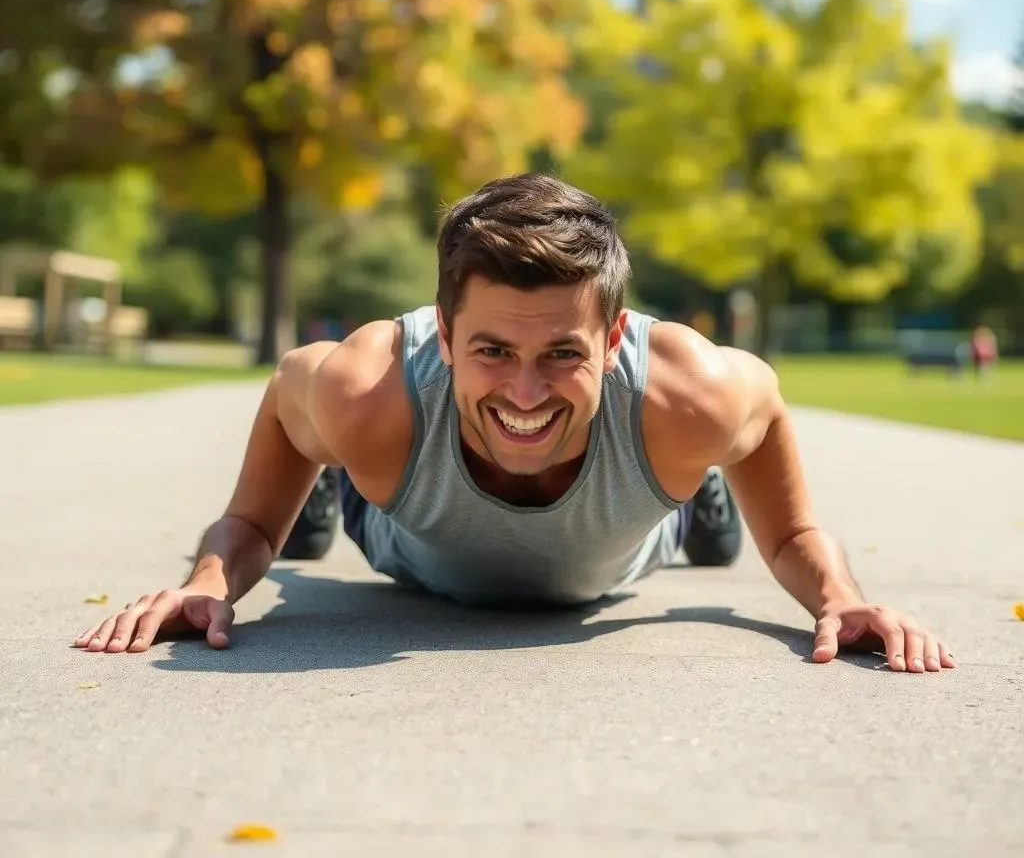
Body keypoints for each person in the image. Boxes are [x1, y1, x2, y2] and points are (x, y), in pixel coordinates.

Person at [75, 173, 955, 673]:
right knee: (337, 469)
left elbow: (796, 526)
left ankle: (700, 508)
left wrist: (843, 601)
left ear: (613, 338)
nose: (527, 393)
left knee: (699, 502)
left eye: (563, 356)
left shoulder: (696, 401)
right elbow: (256, 494)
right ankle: (332, 484)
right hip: (404, 535)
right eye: (492, 351)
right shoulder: (364, 391)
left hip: (631, 533)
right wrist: (210, 579)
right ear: (446, 333)